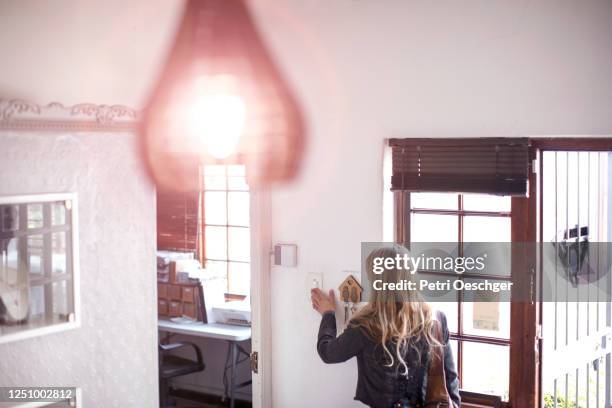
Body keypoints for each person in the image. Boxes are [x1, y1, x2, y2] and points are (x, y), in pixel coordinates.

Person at [310, 246, 460, 408]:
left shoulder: (364, 325)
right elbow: (450, 378)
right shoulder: (435, 319)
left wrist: (328, 314)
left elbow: (328, 353)